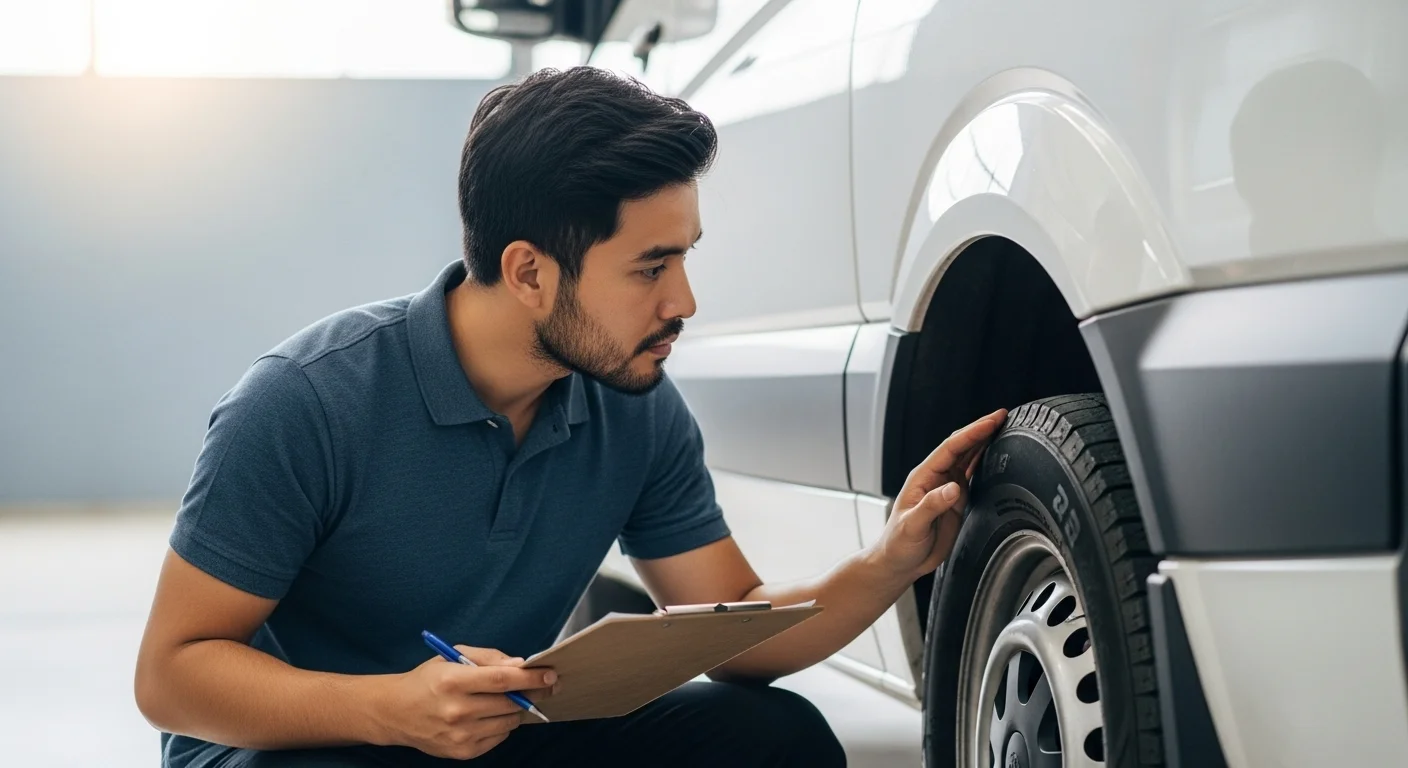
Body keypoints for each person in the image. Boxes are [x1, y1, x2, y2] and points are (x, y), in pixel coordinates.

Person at [133, 66, 1007, 767]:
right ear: (529, 273)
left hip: (487, 735)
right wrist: (389, 707)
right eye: (649, 268)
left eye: (685, 259)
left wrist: (889, 562)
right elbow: (171, 677)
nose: (685, 301)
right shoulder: (307, 401)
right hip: (303, 748)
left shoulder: (635, 408)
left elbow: (734, 621)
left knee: (775, 738)